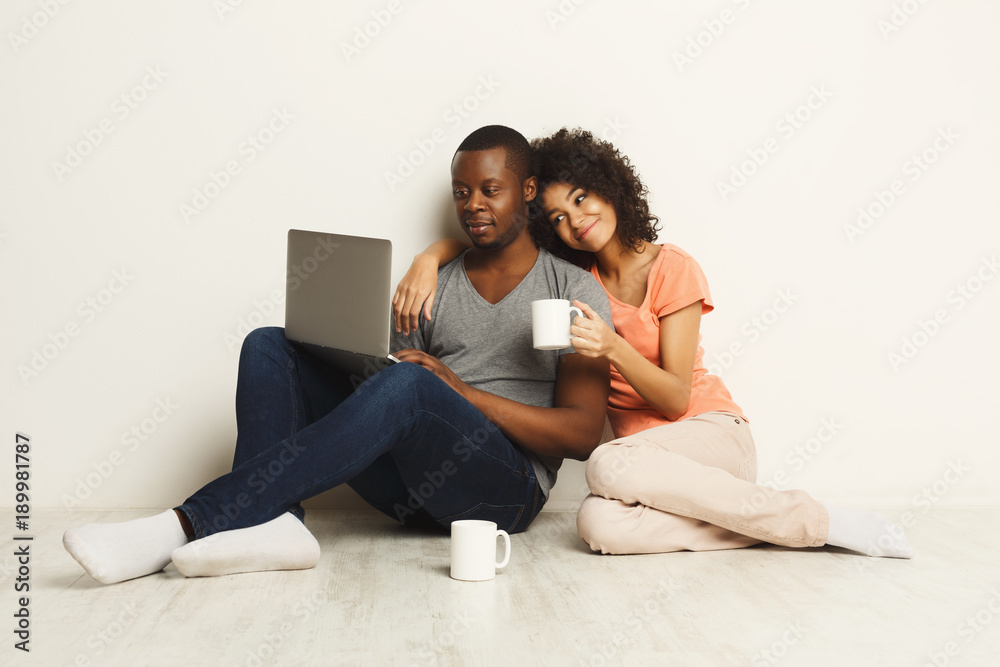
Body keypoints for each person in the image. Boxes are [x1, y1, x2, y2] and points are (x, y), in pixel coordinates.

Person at [62, 125, 613, 585]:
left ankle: (190, 522)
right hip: (409, 494)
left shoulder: (574, 290)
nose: (473, 206)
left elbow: (584, 435)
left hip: (502, 495)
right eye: (461, 192)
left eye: (490, 190)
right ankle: (273, 525)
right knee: (269, 344)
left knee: (414, 387)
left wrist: (459, 392)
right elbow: (397, 392)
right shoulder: (432, 286)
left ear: (530, 190)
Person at [393, 127, 913, 558]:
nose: (576, 220)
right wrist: (430, 256)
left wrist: (611, 346)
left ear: (607, 187)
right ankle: (762, 527)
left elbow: (676, 398)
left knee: (603, 464)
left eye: (581, 199)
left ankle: (815, 520)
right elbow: (491, 239)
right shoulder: (578, 277)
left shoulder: (671, 267)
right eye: (557, 217)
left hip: (709, 435)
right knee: (598, 525)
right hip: (640, 462)